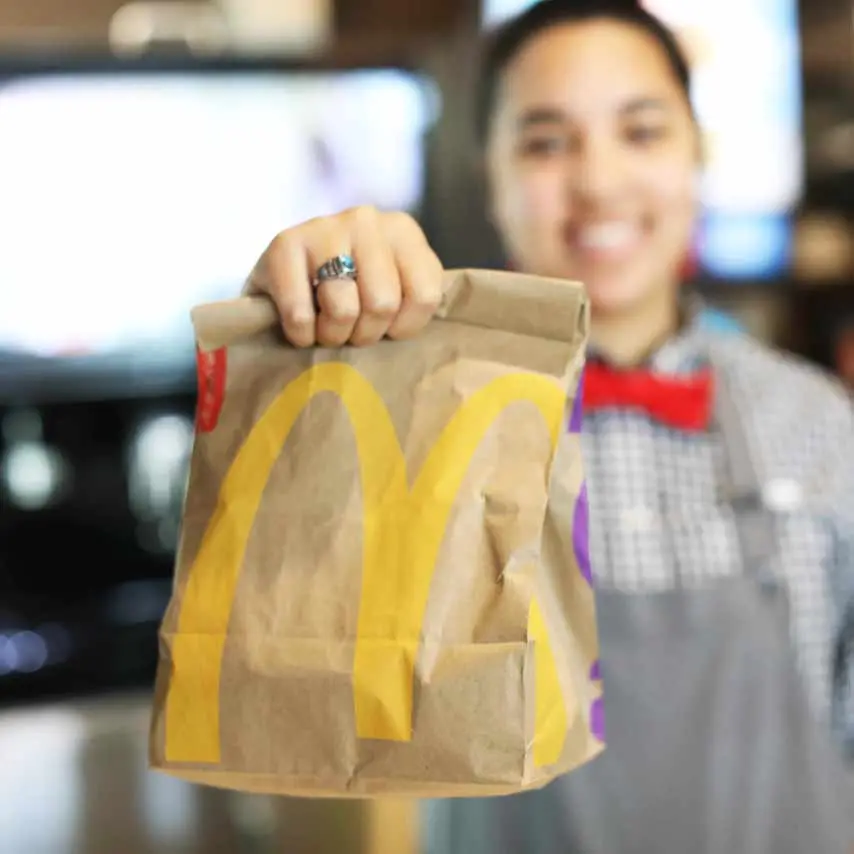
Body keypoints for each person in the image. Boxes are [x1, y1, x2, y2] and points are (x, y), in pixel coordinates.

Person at [243, 0, 854, 850]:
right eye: (545, 141)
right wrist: (302, 327)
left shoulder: (821, 426)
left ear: (698, 155)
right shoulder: (413, 418)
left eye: (641, 131)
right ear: (487, 176)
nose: (598, 182)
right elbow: (278, 656)